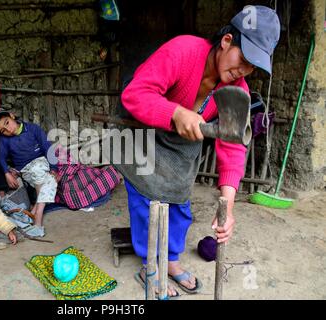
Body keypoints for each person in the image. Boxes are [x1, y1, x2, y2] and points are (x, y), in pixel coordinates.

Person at [117, 6, 280, 298]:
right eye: (242, 59)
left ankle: (170, 262)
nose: (243, 71)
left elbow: (232, 146)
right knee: (146, 203)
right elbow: (134, 94)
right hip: (142, 133)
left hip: (180, 148)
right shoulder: (183, 51)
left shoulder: (237, 91)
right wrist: (175, 112)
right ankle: (149, 265)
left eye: (251, 67)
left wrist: (227, 206)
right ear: (227, 41)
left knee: (179, 205)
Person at [0, 109, 58, 238]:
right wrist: (6, 173)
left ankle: (37, 220)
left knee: (41, 172)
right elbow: (1, 158)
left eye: (7, 123)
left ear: (12, 116)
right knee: (49, 180)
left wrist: (54, 168)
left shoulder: (33, 129)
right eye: (3, 130)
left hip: (41, 164)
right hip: (25, 170)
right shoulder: (5, 140)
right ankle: (33, 213)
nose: (8, 130)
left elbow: (47, 148)